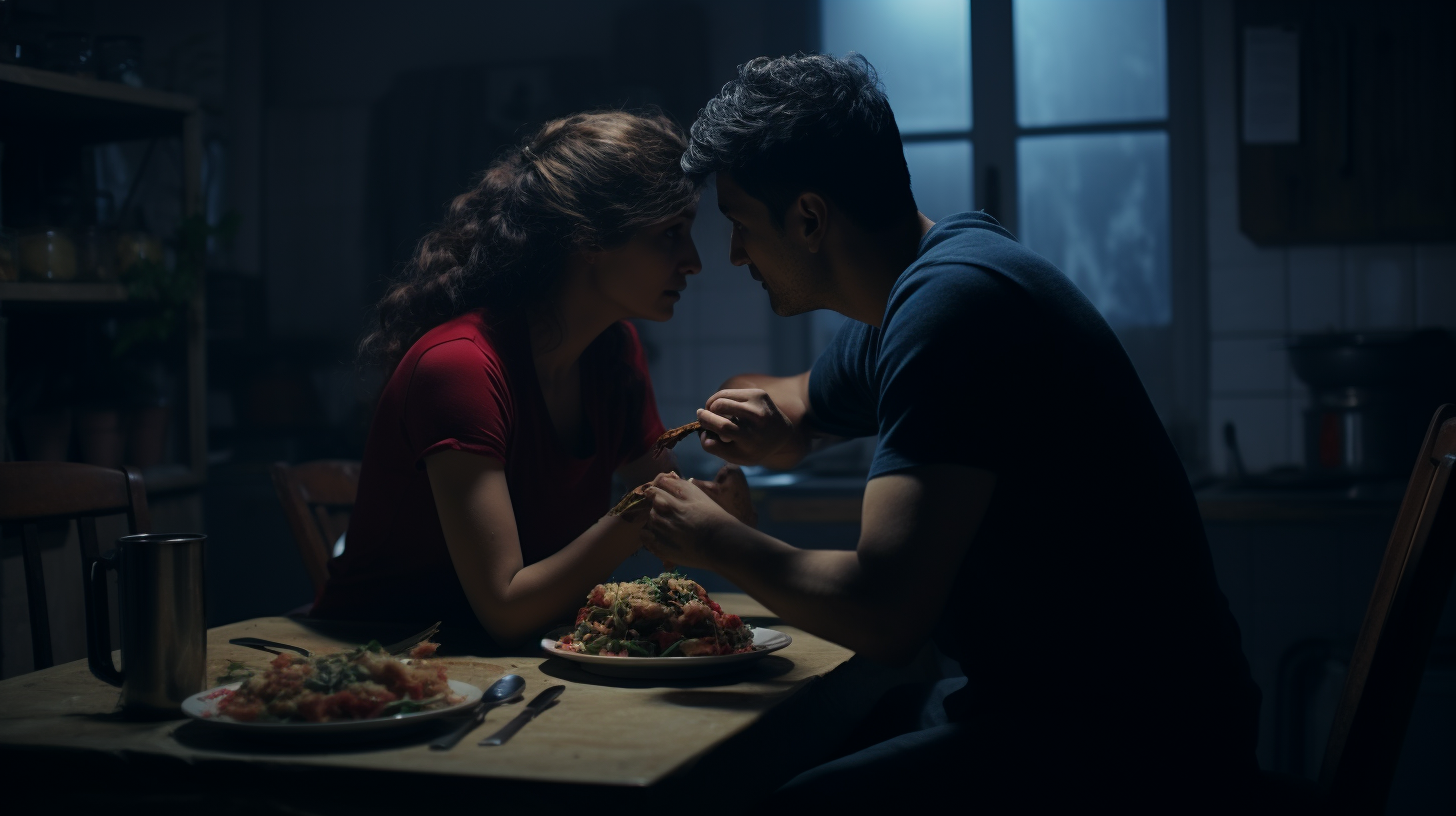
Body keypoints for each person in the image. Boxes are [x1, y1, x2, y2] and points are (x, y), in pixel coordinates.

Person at [638, 55, 1261, 810]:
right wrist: (768, 428)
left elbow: (886, 611)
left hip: (1137, 742)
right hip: (1065, 710)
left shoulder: (953, 312)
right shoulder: (932, 277)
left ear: (808, 218)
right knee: (809, 740)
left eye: (740, 227)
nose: (734, 256)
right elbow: (799, 409)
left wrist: (710, 539)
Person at [313, 111, 748, 644]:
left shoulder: (614, 353)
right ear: (589, 238)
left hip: (509, 658)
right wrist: (653, 510)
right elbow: (507, 608)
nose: (694, 261)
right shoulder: (461, 366)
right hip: (389, 666)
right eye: (669, 235)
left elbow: (658, 510)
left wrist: (717, 509)